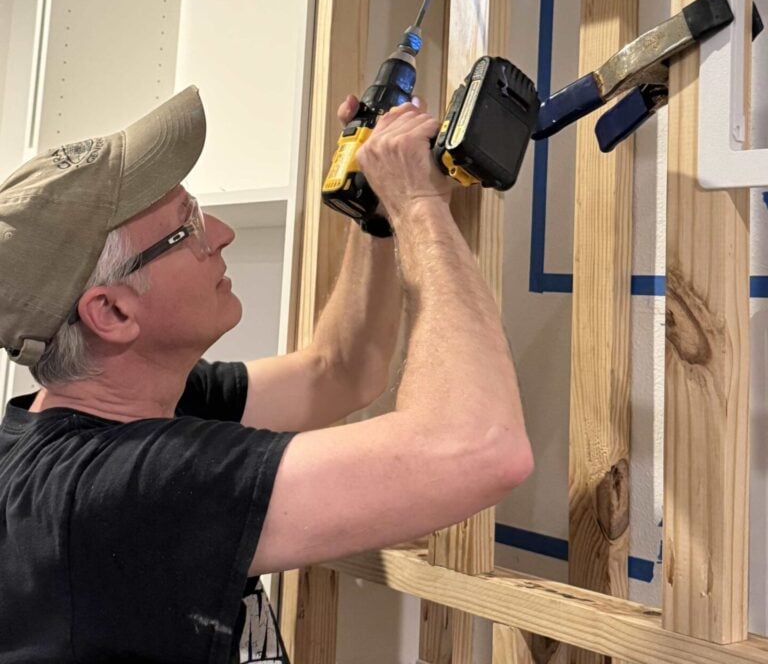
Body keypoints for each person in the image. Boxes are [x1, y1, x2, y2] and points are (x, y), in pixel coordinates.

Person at [0, 85, 532, 663]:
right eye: (188, 226)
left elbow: (339, 372)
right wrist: (420, 205)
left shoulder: (128, 407)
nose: (221, 233)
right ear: (112, 313)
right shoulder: (115, 488)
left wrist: (376, 213)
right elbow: (479, 448)